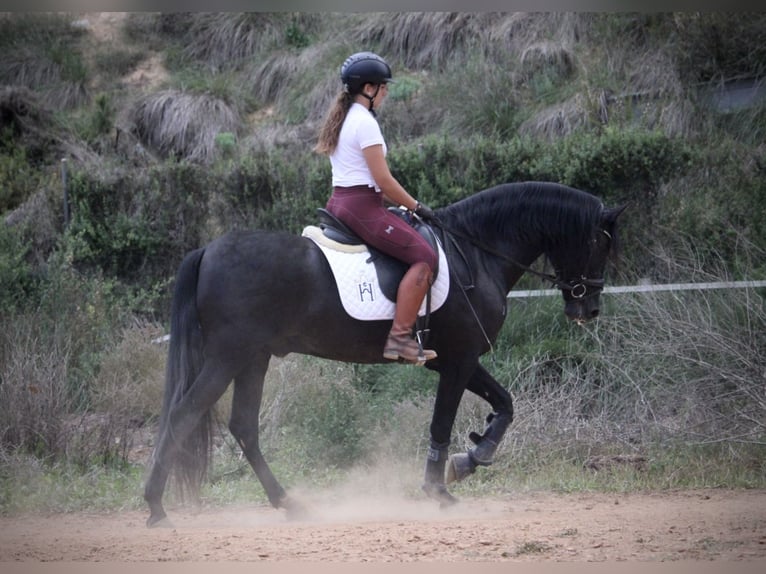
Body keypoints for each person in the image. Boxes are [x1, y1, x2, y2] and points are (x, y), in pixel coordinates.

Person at [315, 51, 438, 365]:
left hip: (340, 202)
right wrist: (417, 206)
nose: (386, 93)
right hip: (362, 208)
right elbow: (382, 181)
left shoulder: (344, 118)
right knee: (424, 255)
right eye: (383, 87)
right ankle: (400, 340)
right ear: (368, 89)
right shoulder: (364, 122)